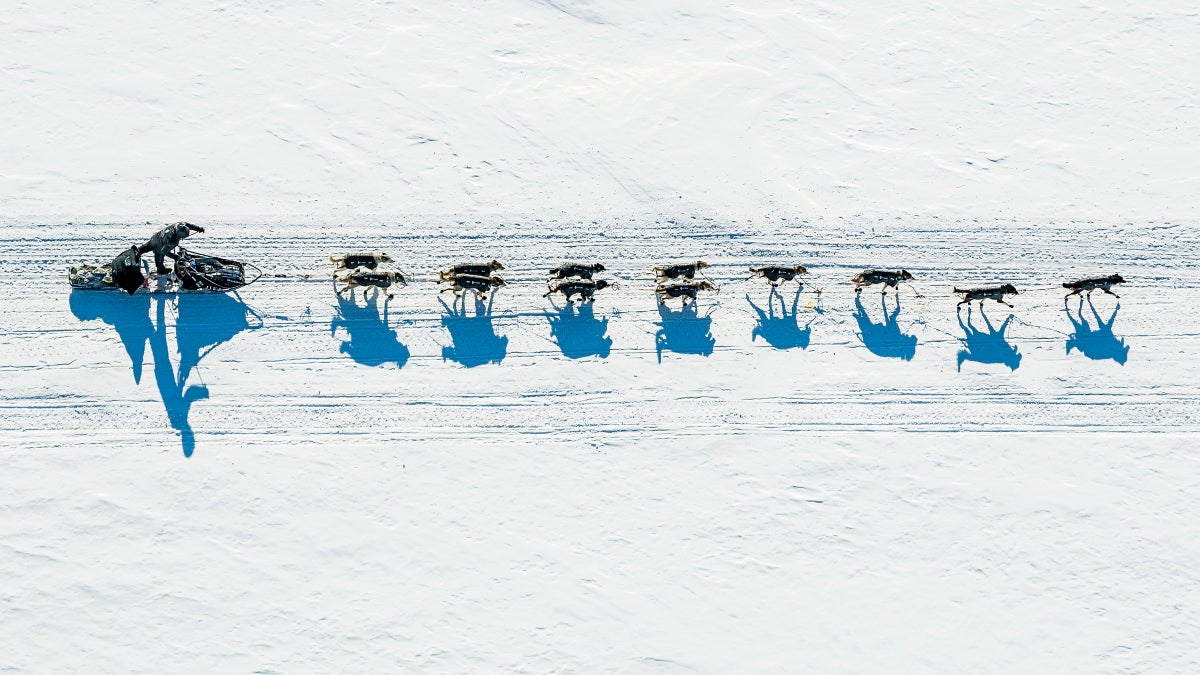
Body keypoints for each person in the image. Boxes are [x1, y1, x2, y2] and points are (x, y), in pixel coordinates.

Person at [138, 222, 206, 275]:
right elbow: (164, 251)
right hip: (159, 243)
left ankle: (136, 252)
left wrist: (198, 228)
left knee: (142, 249)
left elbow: (189, 225)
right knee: (159, 254)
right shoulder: (172, 240)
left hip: (156, 237)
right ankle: (161, 270)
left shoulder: (179, 224)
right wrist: (175, 257)